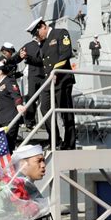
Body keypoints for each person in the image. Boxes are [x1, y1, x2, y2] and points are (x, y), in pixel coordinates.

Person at [29, 17, 76, 150]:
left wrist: (55, 71)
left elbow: (66, 53)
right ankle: (55, 140)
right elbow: (43, 61)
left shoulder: (61, 33)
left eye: (37, 34)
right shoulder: (43, 43)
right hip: (49, 82)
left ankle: (70, 143)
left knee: (65, 111)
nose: (37, 37)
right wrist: (27, 58)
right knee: (44, 108)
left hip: (62, 79)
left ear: (43, 26)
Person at [0, 62, 26, 152]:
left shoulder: (9, 81)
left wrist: (19, 104)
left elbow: (15, 94)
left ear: (0, 71)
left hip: (10, 118)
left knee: (7, 146)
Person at [19, 34, 45, 129]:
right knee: (32, 99)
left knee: (45, 101)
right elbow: (19, 55)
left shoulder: (46, 43)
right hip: (33, 76)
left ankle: (46, 121)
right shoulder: (29, 46)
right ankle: (29, 121)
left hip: (45, 75)